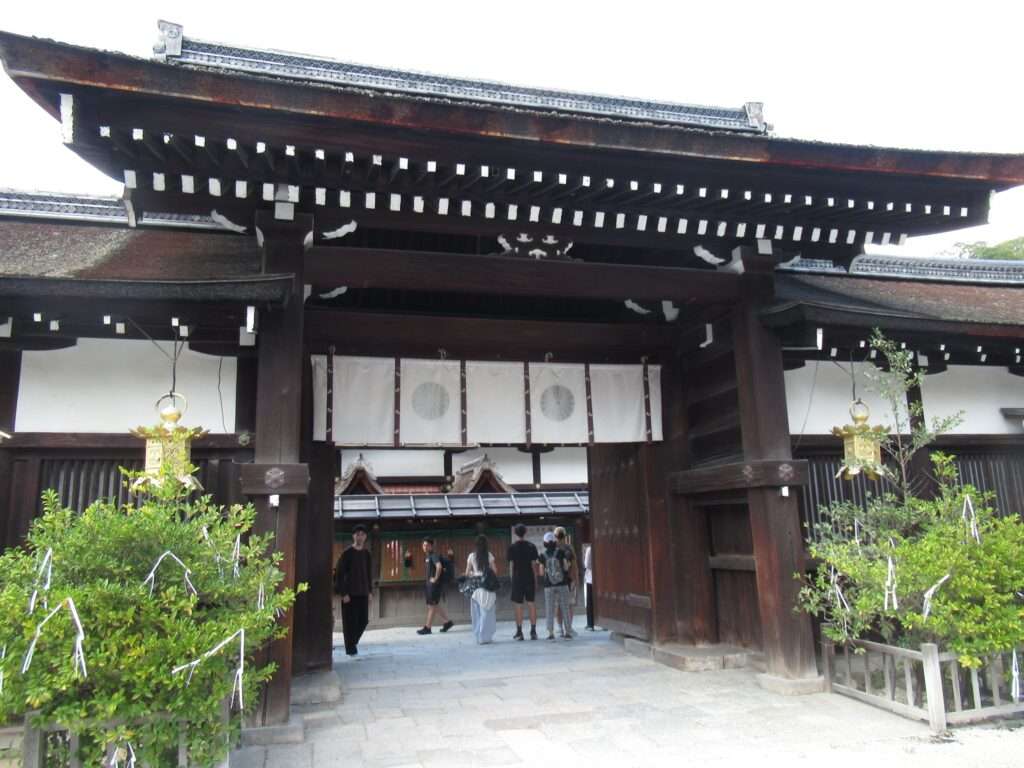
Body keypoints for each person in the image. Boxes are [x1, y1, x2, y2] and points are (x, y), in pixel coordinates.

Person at [334, 524, 373, 656]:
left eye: (362, 534)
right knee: (350, 622)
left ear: (365, 537)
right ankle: (350, 647)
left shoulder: (367, 554)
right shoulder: (347, 553)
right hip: (349, 594)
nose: (360, 536)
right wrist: (343, 593)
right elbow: (338, 574)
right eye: (357, 534)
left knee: (363, 620)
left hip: (363, 592)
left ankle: (352, 641)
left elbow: (369, 573)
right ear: (353, 536)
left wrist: (370, 591)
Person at [506, 524, 539, 641]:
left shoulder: (512, 547)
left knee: (518, 605)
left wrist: (512, 579)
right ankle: (533, 631)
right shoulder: (531, 546)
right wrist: (535, 579)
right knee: (531, 604)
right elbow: (534, 565)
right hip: (529, 578)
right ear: (525, 532)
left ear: (515, 533)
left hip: (517, 579)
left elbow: (511, 566)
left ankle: (519, 632)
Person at [464, 534, 499, 644]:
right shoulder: (489, 555)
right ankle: (486, 637)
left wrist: (473, 573)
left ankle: (478, 636)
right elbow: (495, 571)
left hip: (475, 587)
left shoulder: (471, 556)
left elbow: (466, 573)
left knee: (476, 613)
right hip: (487, 586)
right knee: (487, 612)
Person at [539, 531, 571, 640]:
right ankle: (568, 632)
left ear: (545, 543)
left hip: (549, 585)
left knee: (549, 608)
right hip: (562, 583)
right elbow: (566, 567)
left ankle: (550, 633)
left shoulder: (542, 555)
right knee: (565, 607)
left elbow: (541, 573)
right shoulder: (561, 552)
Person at [417, 537, 453, 635]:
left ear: (431, 546)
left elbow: (439, 566)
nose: (424, 547)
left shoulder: (433, 556)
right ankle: (447, 622)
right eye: (423, 545)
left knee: (432, 605)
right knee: (433, 604)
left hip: (434, 585)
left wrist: (435, 578)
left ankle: (427, 627)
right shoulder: (428, 557)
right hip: (431, 585)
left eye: (427, 545)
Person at [554, 526, 579, 637]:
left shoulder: (553, 548)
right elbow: (574, 565)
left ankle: (559, 628)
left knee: (559, 604)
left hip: (557, 581)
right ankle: (568, 628)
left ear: (555, 536)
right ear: (565, 536)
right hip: (569, 579)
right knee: (569, 605)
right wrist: (576, 579)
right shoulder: (569, 548)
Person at [583, 542, 595, 630]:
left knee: (590, 601)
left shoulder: (589, 549)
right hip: (602, 578)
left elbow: (587, 564)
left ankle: (590, 624)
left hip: (590, 578)